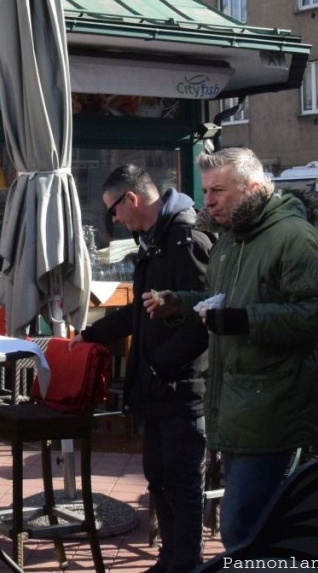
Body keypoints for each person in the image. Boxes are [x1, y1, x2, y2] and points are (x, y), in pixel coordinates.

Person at [144, 147, 318, 550]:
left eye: (219, 191)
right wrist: (181, 302)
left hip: (273, 408)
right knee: (250, 529)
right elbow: (219, 300)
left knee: (243, 528)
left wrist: (246, 320)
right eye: (206, 191)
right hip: (237, 406)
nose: (209, 201)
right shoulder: (232, 238)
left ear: (253, 189)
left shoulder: (293, 238)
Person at [69, 165, 212, 573]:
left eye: (113, 210)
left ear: (131, 199)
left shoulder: (184, 238)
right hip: (157, 386)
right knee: (159, 479)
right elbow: (139, 310)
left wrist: (162, 366)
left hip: (184, 388)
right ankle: (169, 559)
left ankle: (185, 564)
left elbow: (206, 314)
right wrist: (93, 333)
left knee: (183, 485)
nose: (113, 219)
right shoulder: (153, 239)